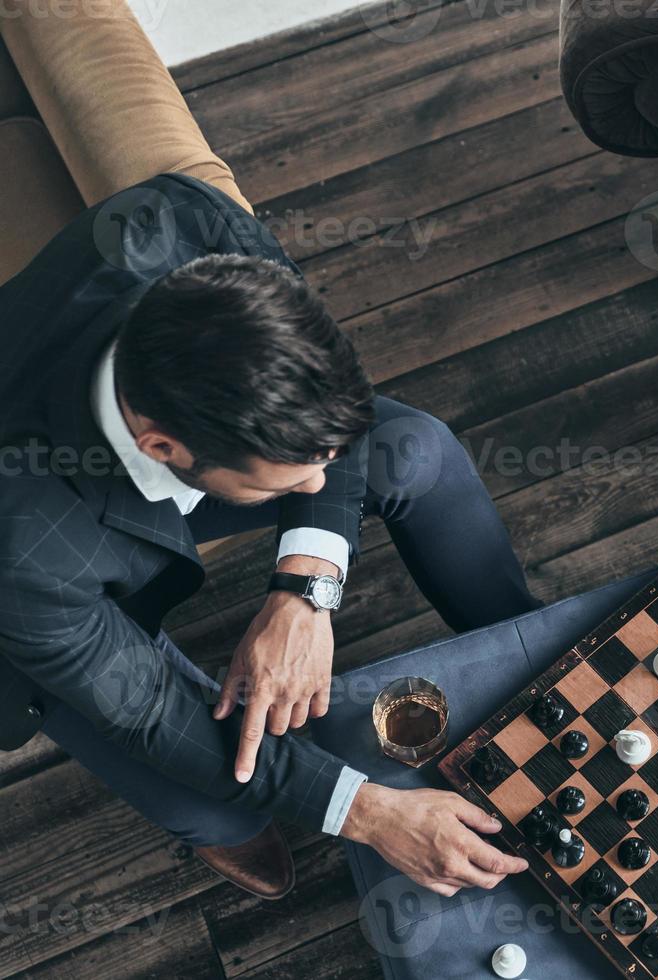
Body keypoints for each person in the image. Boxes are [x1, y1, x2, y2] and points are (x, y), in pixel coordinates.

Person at [0, 173, 537, 899]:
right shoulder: (24, 552)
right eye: (285, 484)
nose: (317, 488)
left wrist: (307, 584)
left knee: (418, 450)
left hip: (111, 492)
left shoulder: (189, 226)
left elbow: (330, 417)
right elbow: (153, 710)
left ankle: (532, 647)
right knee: (205, 797)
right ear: (164, 448)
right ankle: (225, 827)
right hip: (33, 589)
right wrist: (369, 812)